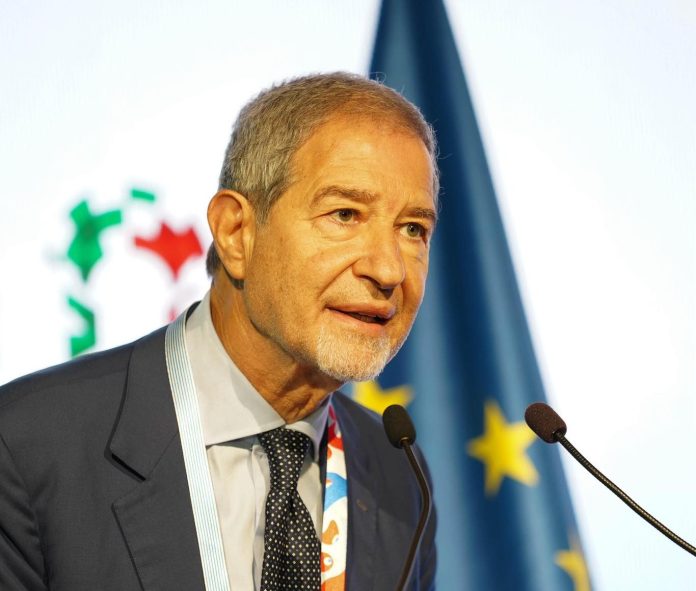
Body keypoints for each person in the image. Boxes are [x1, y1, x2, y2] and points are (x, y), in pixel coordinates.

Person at [0, 72, 438, 591]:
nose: (388, 270)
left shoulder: (398, 475)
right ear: (235, 232)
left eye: (413, 229)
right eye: (345, 214)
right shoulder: (28, 447)